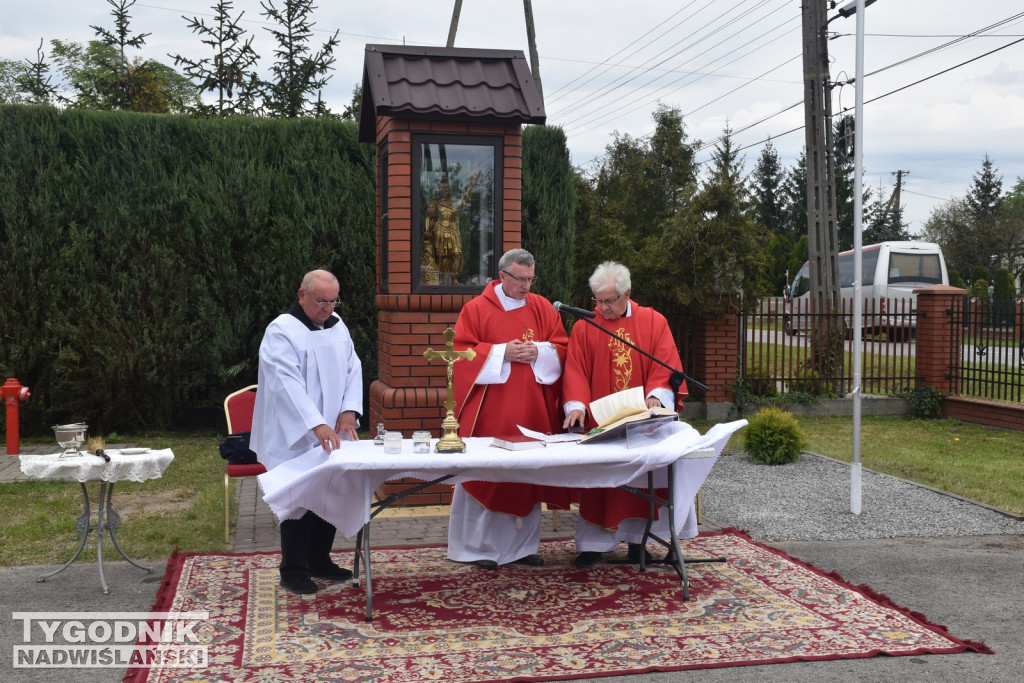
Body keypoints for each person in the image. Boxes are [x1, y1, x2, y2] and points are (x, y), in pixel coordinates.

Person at [447, 248, 571, 569]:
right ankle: (476, 549)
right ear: (502, 276)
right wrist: (502, 353)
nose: (526, 286)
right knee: (487, 475)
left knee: (526, 477)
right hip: (491, 412)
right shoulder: (476, 309)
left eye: (531, 279)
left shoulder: (542, 307)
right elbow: (460, 353)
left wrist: (540, 351)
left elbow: (562, 347)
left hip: (532, 410)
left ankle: (522, 549)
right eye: (520, 279)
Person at [562, 261, 687, 569]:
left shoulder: (653, 322)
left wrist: (657, 396)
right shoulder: (585, 325)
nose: (601, 307)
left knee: (641, 485)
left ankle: (638, 543)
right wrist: (576, 405)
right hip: (601, 422)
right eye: (597, 300)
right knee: (602, 485)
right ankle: (593, 546)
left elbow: (666, 365)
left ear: (627, 294)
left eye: (608, 300)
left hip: (642, 424)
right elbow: (575, 369)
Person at [250, 269, 364, 594]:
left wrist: (347, 411)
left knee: (328, 488)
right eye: (321, 302)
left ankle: (318, 559)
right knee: (298, 497)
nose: (327, 309)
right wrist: (316, 423)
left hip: (331, 429)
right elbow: (287, 384)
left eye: (332, 301)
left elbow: (353, 368)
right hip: (294, 432)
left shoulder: (338, 325)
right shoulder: (281, 332)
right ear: (302, 295)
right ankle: (293, 569)